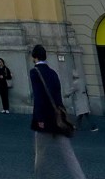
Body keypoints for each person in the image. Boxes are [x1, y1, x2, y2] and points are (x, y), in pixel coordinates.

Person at [30, 44, 86, 178]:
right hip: (58, 119)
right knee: (69, 154)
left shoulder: (34, 72)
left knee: (40, 154)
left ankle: (37, 176)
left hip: (44, 120)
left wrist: (40, 119)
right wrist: (61, 114)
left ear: (35, 57)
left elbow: (38, 97)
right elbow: (57, 95)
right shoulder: (53, 72)